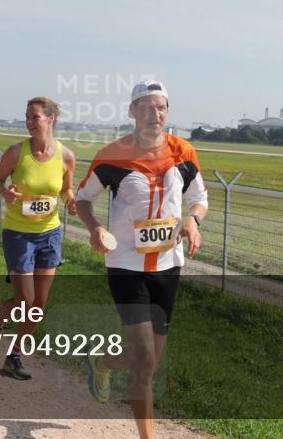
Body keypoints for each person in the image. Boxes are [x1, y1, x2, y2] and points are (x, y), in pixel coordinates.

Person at [75, 80, 208, 439]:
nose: (156, 113)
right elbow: (82, 199)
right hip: (126, 266)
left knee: (147, 362)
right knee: (145, 360)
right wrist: (95, 228)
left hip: (168, 266)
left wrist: (192, 221)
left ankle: (103, 361)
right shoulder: (112, 155)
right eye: (147, 107)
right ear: (132, 111)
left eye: (161, 107)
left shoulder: (184, 153)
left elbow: (200, 198)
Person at [0, 96, 77, 379]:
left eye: (34, 117)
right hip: (18, 233)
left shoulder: (66, 156)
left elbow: (66, 190)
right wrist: (6, 193)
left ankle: (14, 356)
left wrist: (71, 201)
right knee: (24, 300)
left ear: (50, 119)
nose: (29, 122)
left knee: (38, 303)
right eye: (27, 117)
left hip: (50, 233)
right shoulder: (16, 152)